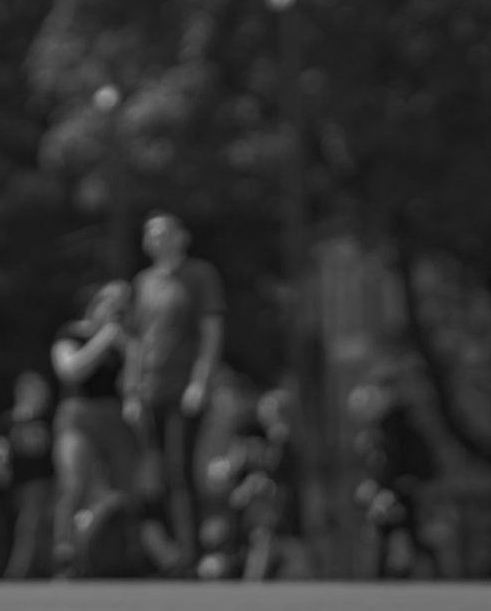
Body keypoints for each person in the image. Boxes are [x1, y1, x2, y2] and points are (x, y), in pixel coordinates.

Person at [126, 213, 223, 575]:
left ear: (182, 237)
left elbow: (211, 331)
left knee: (180, 468)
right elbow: (136, 342)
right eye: (150, 232)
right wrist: (131, 392)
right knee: (160, 475)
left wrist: (201, 381)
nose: (155, 238)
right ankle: (169, 553)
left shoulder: (200, 276)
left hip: (184, 389)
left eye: (163, 231)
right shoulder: (143, 282)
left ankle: (191, 551)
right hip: (150, 390)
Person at [52, 281, 141, 578]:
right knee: (74, 484)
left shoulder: (128, 342)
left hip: (115, 417)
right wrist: (104, 339)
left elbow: (133, 386)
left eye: (123, 305)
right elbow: (70, 370)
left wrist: (129, 350)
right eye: (110, 302)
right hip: (78, 415)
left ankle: (123, 553)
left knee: (124, 490)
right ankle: (65, 554)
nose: (116, 310)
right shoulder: (72, 333)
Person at [350, 374, 439, 580]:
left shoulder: (393, 429)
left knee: (400, 543)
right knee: (396, 543)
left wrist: (384, 489)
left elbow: (397, 467)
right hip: (394, 495)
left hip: (402, 495)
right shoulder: (384, 429)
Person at [217, 388, 309, 582]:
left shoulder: (282, 439)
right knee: (273, 545)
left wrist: (247, 489)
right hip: (278, 510)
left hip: (280, 507)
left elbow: (271, 476)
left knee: (272, 544)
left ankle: (252, 585)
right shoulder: (274, 439)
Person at [0, 368, 57, 579]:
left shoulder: (49, 417)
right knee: (29, 525)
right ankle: (41, 570)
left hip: (46, 481)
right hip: (19, 484)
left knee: (31, 524)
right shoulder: (9, 420)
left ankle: (18, 573)